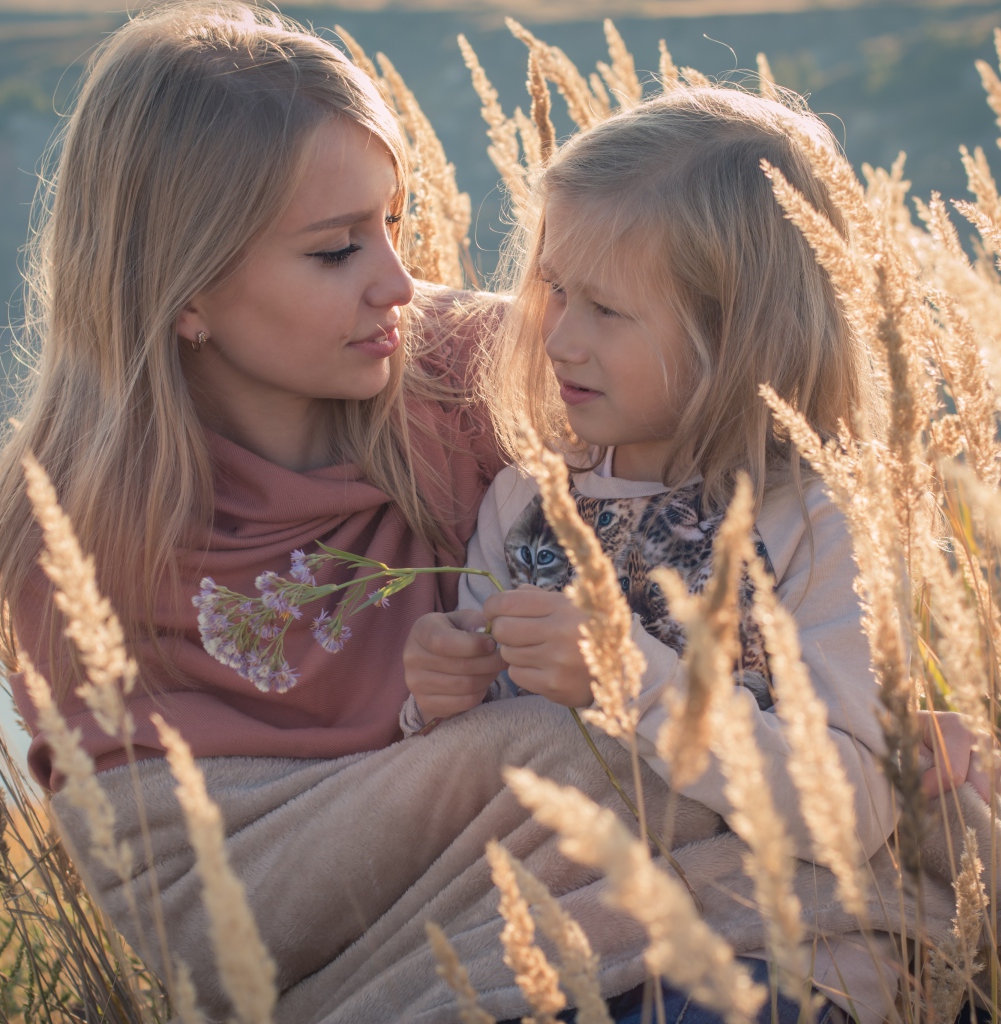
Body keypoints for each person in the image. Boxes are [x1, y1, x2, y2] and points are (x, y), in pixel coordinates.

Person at [0, 5, 990, 1022]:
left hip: (676, 935)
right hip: (469, 955)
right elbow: (196, 903)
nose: (396, 282)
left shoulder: (483, 377)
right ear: (182, 288)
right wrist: (470, 722)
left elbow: (748, 464)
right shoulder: (72, 544)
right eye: (335, 251)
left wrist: (851, 729)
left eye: (395, 222)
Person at [400, 88, 999, 1023]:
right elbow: (482, 781)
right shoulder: (528, 503)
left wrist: (625, 672)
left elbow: (846, 811)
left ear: (738, 333)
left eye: (605, 308)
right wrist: (430, 700)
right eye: (554, 289)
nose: (559, 334)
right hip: (572, 941)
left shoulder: (818, 524)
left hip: (774, 952)